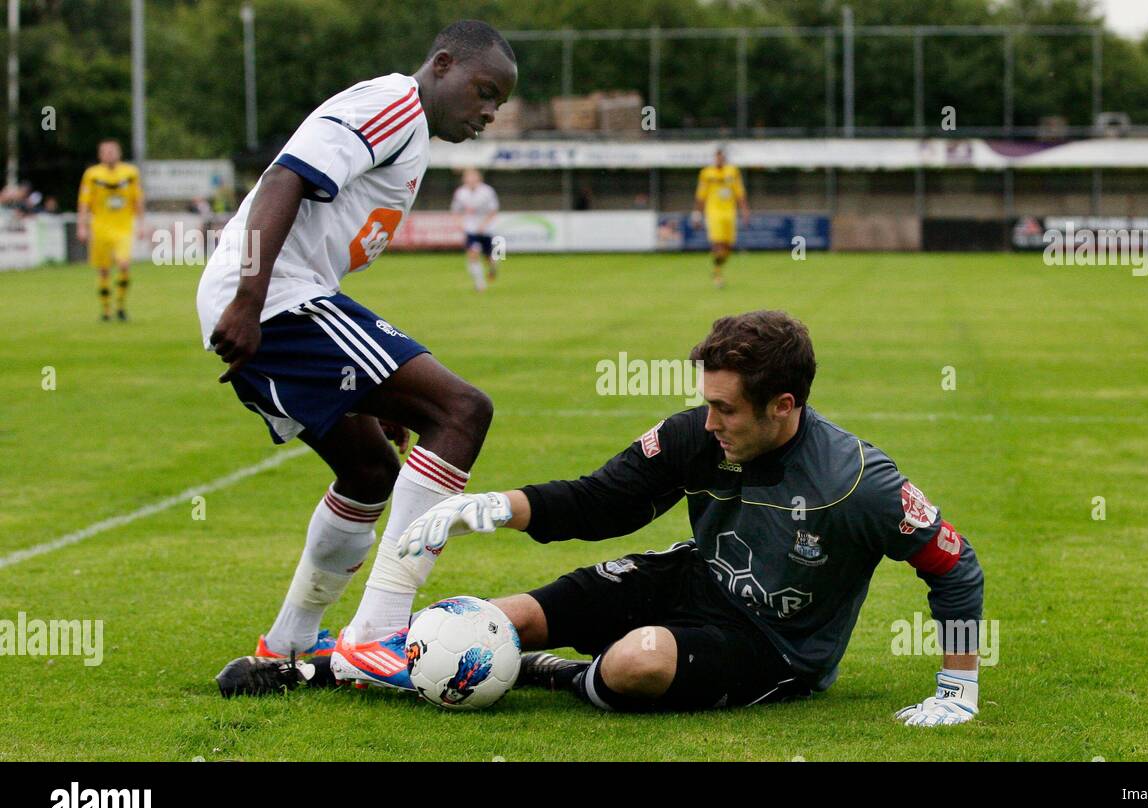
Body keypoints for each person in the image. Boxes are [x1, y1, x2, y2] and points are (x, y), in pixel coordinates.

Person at [224, 312, 986, 727]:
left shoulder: (859, 482)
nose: (709, 419)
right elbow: (604, 500)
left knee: (640, 663)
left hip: (772, 649)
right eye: (706, 399)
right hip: (688, 581)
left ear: (784, 405)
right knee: (491, 623)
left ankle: (561, 676)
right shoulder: (698, 434)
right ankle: (308, 667)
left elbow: (957, 569)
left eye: (726, 406)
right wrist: (487, 509)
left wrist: (959, 689)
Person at [205, 20, 517, 693]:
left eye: (498, 103)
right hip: (276, 297)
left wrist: (366, 387)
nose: (488, 112)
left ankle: (286, 644)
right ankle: (378, 633)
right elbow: (285, 181)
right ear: (442, 65)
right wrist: (248, 298)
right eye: (483, 92)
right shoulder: (392, 105)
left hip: (285, 296)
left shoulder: (411, 136)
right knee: (462, 410)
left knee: (371, 468)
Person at [77, 140, 144, 321]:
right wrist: (81, 226)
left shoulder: (130, 173)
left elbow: (137, 200)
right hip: (100, 228)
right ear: (100, 155)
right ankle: (106, 311)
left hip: (123, 228)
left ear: (119, 153)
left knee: (123, 264)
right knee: (104, 270)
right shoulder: (92, 174)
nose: (109, 154)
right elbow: (84, 202)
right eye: (105, 152)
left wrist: (142, 224)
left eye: (112, 151)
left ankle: (121, 306)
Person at [691, 146, 749, 288]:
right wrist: (697, 214)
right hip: (714, 212)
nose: (719, 159)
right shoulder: (706, 173)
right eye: (717, 157)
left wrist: (745, 211)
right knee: (717, 244)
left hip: (729, 213)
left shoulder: (733, 172)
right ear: (714, 158)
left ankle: (717, 268)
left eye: (721, 156)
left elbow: (740, 193)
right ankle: (717, 275)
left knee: (727, 247)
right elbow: (701, 196)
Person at [450, 168, 500, 291]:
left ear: (478, 178)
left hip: (486, 229)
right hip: (471, 229)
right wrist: (460, 223)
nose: (470, 180)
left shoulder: (487, 191)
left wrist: (484, 224)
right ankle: (480, 284)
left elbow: (493, 210)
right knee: (473, 254)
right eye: (467, 177)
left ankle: (493, 266)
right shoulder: (461, 193)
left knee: (488, 258)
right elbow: (455, 211)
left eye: (473, 177)